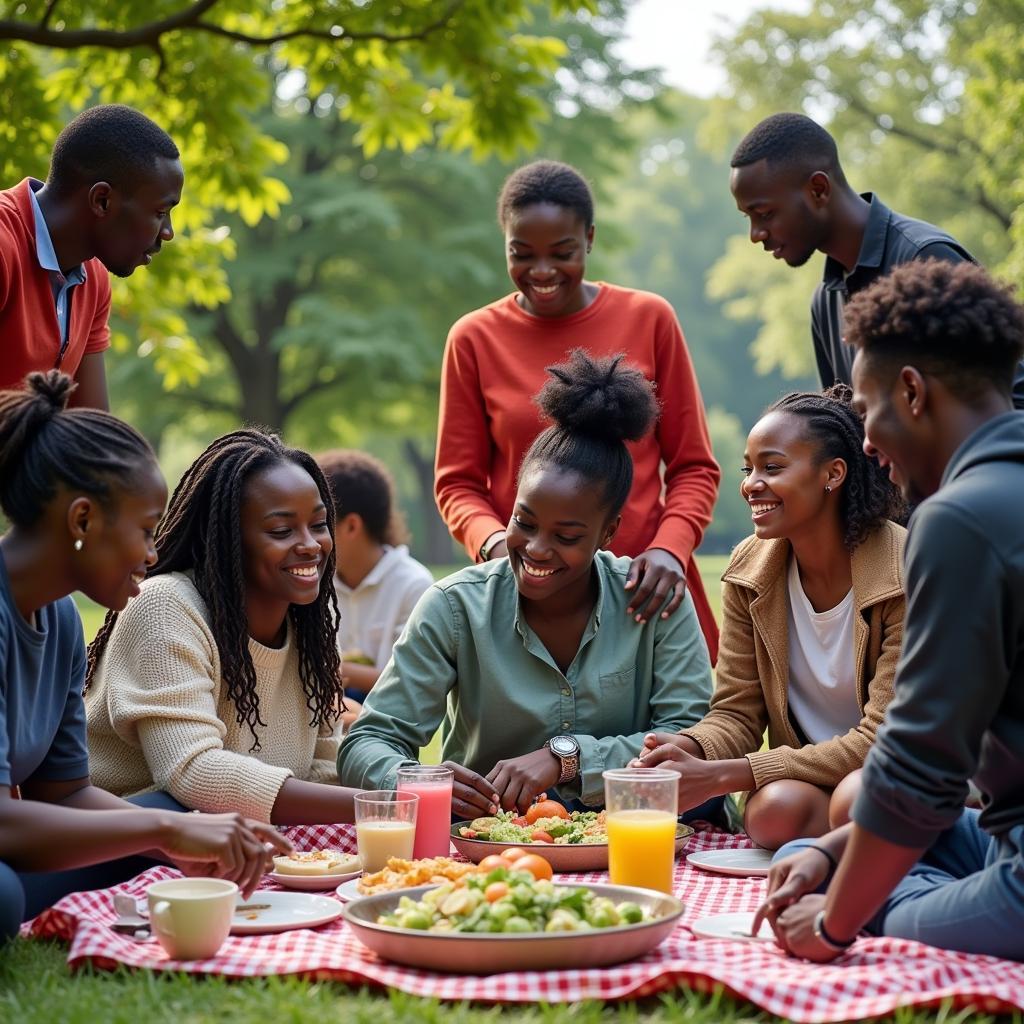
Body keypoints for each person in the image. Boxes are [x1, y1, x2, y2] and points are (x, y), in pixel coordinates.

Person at [754, 260, 1024, 961]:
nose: (867, 442)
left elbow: (920, 766)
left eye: (868, 411)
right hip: (1002, 835)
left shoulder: (959, 519)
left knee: (882, 903)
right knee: (860, 846)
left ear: (911, 392)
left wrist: (836, 923)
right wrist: (829, 848)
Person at [340, 350, 715, 820]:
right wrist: (417, 780)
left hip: (631, 831)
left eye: (567, 536)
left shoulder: (654, 604)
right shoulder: (454, 608)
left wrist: (566, 758)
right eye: (525, 521)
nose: (536, 549)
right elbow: (367, 741)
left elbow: (693, 739)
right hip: (490, 843)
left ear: (608, 532)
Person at [0, 373, 289, 944]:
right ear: (82, 520)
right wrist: (167, 833)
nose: (154, 554)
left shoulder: (56, 619)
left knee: (168, 812)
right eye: (146, 530)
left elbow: (64, 793)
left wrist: (175, 830)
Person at [434, 159, 722, 662]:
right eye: (521, 254)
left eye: (562, 252)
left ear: (589, 238)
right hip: (530, 595)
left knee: (670, 740)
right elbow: (456, 483)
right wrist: (499, 547)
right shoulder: (473, 338)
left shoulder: (649, 318)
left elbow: (694, 467)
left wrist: (669, 549)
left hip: (644, 590)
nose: (542, 272)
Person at [634, 386, 906, 849]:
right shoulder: (750, 571)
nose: (750, 484)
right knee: (770, 815)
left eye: (772, 467)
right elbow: (738, 712)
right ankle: (849, 850)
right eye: (748, 468)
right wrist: (695, 749)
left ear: (833, 474)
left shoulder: (905, 571)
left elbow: (884, 738)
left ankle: (866, 856)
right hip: (810, 779)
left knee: (858, 798)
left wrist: (729, 773)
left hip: (892, 774)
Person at [85, 429, 361, 826]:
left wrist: (410, 785)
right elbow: (194, 772)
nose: (311, 545)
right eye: (282, 531)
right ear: (228, 539)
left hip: (237, 838)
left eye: (318, 524)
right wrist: (382, 803)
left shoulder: (309, 629)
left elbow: (320, 769)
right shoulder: (165, 607)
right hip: (131, 834)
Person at [728, 111, 1024, 408]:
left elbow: (1015, 398)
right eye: (748, 218)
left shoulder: (925, 259)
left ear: (818, 189)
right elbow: (845, 431)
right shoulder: (825, 301)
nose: (755, 234)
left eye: (764, 214)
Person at [0, 104, 183, 409]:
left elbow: (90, 432)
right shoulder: (5, 247)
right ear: (102, 200)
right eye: (160, 212)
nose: (168, 232)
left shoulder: (93, 280)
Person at [316, 449, 433, 705]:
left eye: (318, 524)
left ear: (352, 526)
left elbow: (409, 680)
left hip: (385, 716)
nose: (309, 540)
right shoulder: (314, 580)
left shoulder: (413, 584)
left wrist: (329, 669)